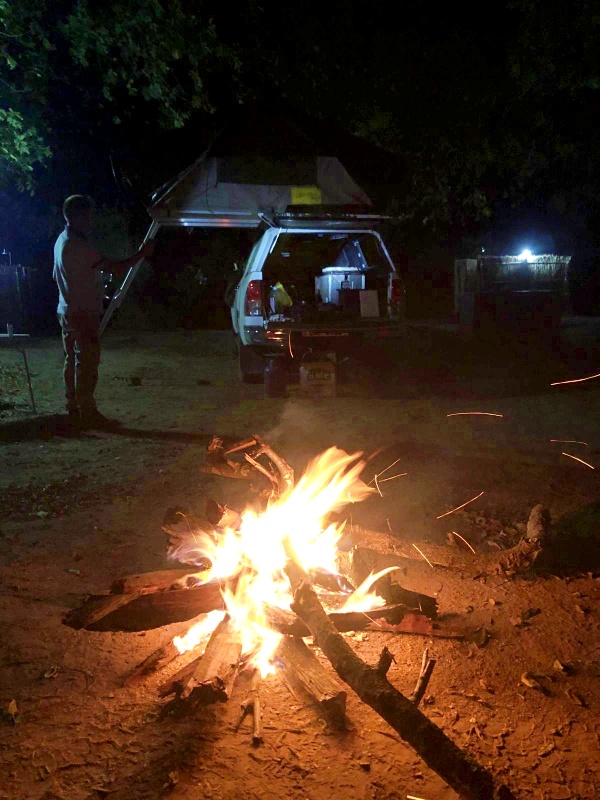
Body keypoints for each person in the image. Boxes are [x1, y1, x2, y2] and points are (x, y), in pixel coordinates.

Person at [53, 194, 154, 428]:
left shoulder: (61, 240)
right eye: (88, 216)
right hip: (82, 312)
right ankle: (87, 411)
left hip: (67, 309)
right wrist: (142, 253)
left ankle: (74, 407)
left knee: (73, 360)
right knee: (87, 362)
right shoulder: (77, 245)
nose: (91, 221)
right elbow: (116, 267)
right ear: (79, 216)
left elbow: (60, 274)